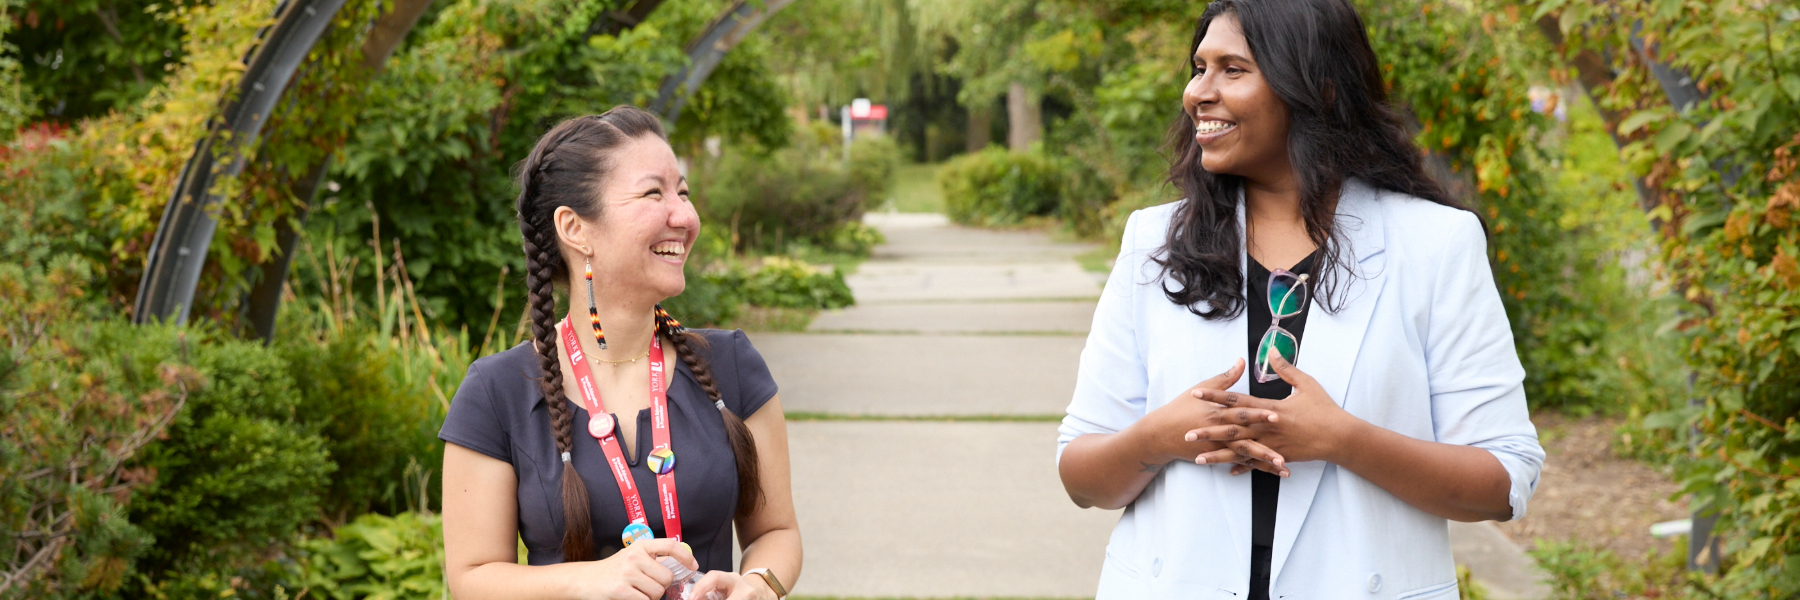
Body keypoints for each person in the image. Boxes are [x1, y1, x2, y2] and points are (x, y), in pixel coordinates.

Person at [1054, 1, 1544, 598]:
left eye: (1233, 69)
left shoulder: (1435, 245)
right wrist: (1157, 437)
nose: (1198, 93)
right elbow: (1082, 476)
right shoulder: (1154, 241)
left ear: (1319, 90)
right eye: (1198, 67)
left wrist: (1342, 440)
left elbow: (1501, 481)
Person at [440, 106, 801, 600]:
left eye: (683, 192)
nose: (686, 216)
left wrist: (761, 584)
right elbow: (472, 577)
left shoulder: (732, 366)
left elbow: (775, 532)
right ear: (574, 228)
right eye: (654, 193)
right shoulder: (494, 393)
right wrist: (588, 580)